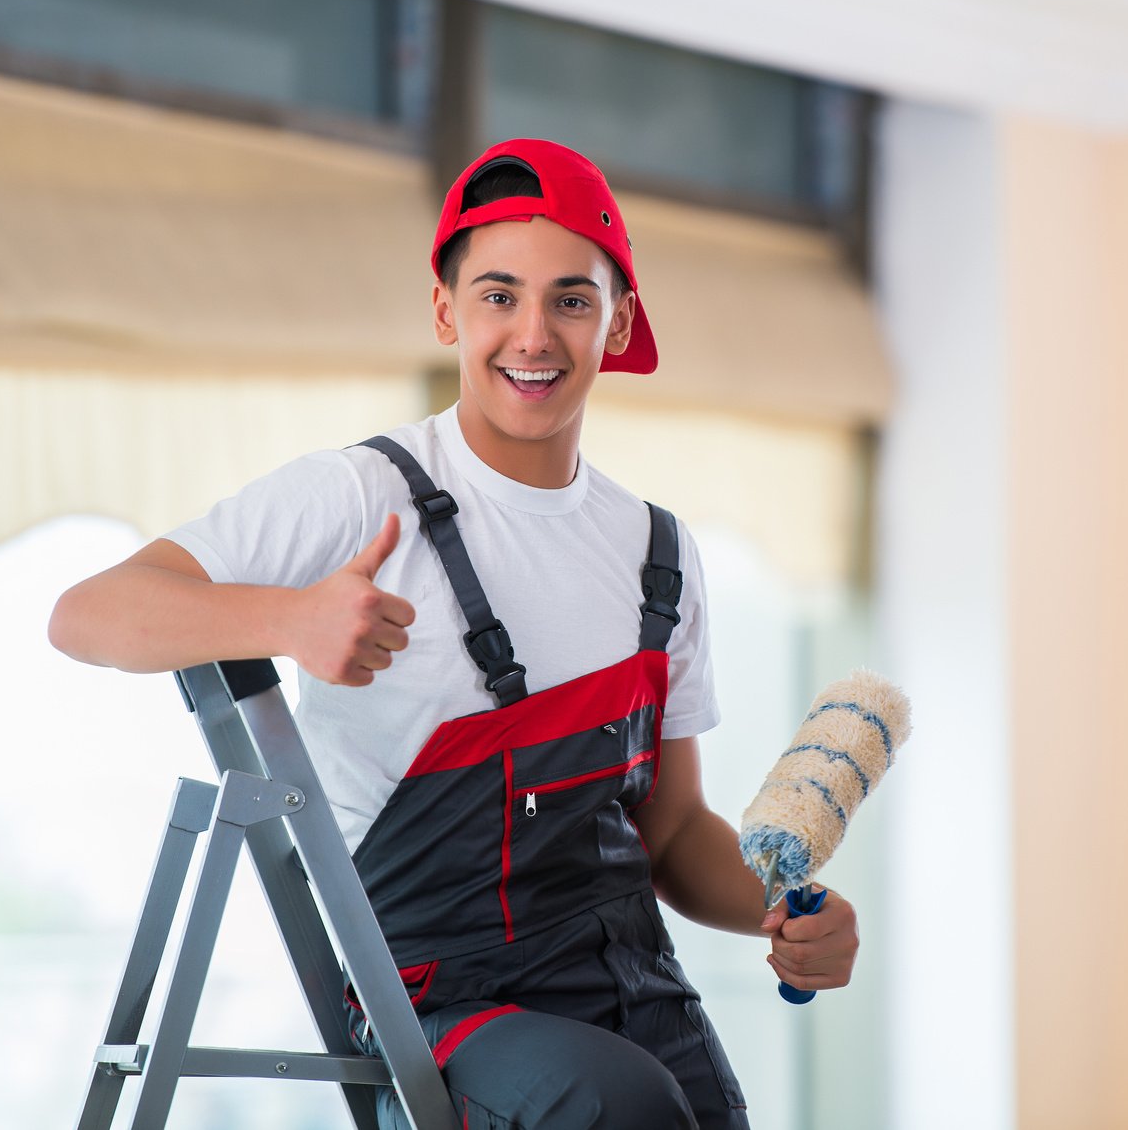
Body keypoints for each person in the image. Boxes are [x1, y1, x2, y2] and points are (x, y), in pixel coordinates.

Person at [49, 138, 860, 1129]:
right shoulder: (361, 494)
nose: (533, 332)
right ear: (446, 310)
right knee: (622, 1109)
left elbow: (675, 832)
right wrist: (287, 617)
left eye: (571, 297)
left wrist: (782, 904)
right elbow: (85, 612)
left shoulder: (657, 550)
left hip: (630, 987)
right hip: (438, 1004)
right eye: (497, 294)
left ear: (619, 320)